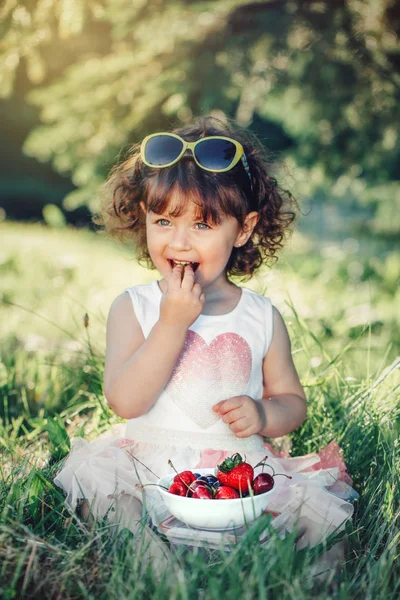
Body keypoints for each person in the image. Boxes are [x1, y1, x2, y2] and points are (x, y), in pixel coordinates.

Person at [54, 115, 357, 558]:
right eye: (163, 221)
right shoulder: (133, 308)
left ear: (245, 229)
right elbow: (125, 401)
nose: (178, 242)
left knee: (321, 522)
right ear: (143, 218)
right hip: (148, 466)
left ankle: (304, 574)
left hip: (240, 472)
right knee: (108, 498)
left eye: (202, 225)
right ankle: (153, 563)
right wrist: (172, 324)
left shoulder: (261, 317)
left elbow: (292, 402)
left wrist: (263, 413)